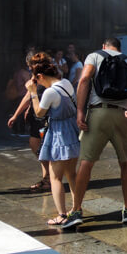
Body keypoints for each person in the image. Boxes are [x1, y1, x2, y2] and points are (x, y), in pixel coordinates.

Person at [63, 37, 127, 228]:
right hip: (123, 115)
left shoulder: (95, 56)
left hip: (98, 112)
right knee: (126, 163)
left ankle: (77, 210)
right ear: (119, 48)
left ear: (104, 46)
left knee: (86, 163)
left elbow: (85, 78)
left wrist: (80, 111)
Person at [25, 52, 80, 226]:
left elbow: (39, 113)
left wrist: (33, 93)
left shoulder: (49, 93)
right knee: (71, 174)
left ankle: (62, 215)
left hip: (59, 134)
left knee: (55, 177)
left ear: (40, 76)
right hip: (73, 132)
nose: (37, 83)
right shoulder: (65, 83)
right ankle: (76, 209)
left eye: (36, 79)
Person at [6, 49, 49, 191]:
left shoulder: (47, 76)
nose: (29, 68)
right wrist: (16, 114)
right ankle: (47, 179)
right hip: (36, 117)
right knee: (38, 148)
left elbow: (34, 95)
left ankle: (49, 179)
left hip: (45, 117)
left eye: (30, 65)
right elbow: (28, 96)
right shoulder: (35, 77)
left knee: (41, 148)